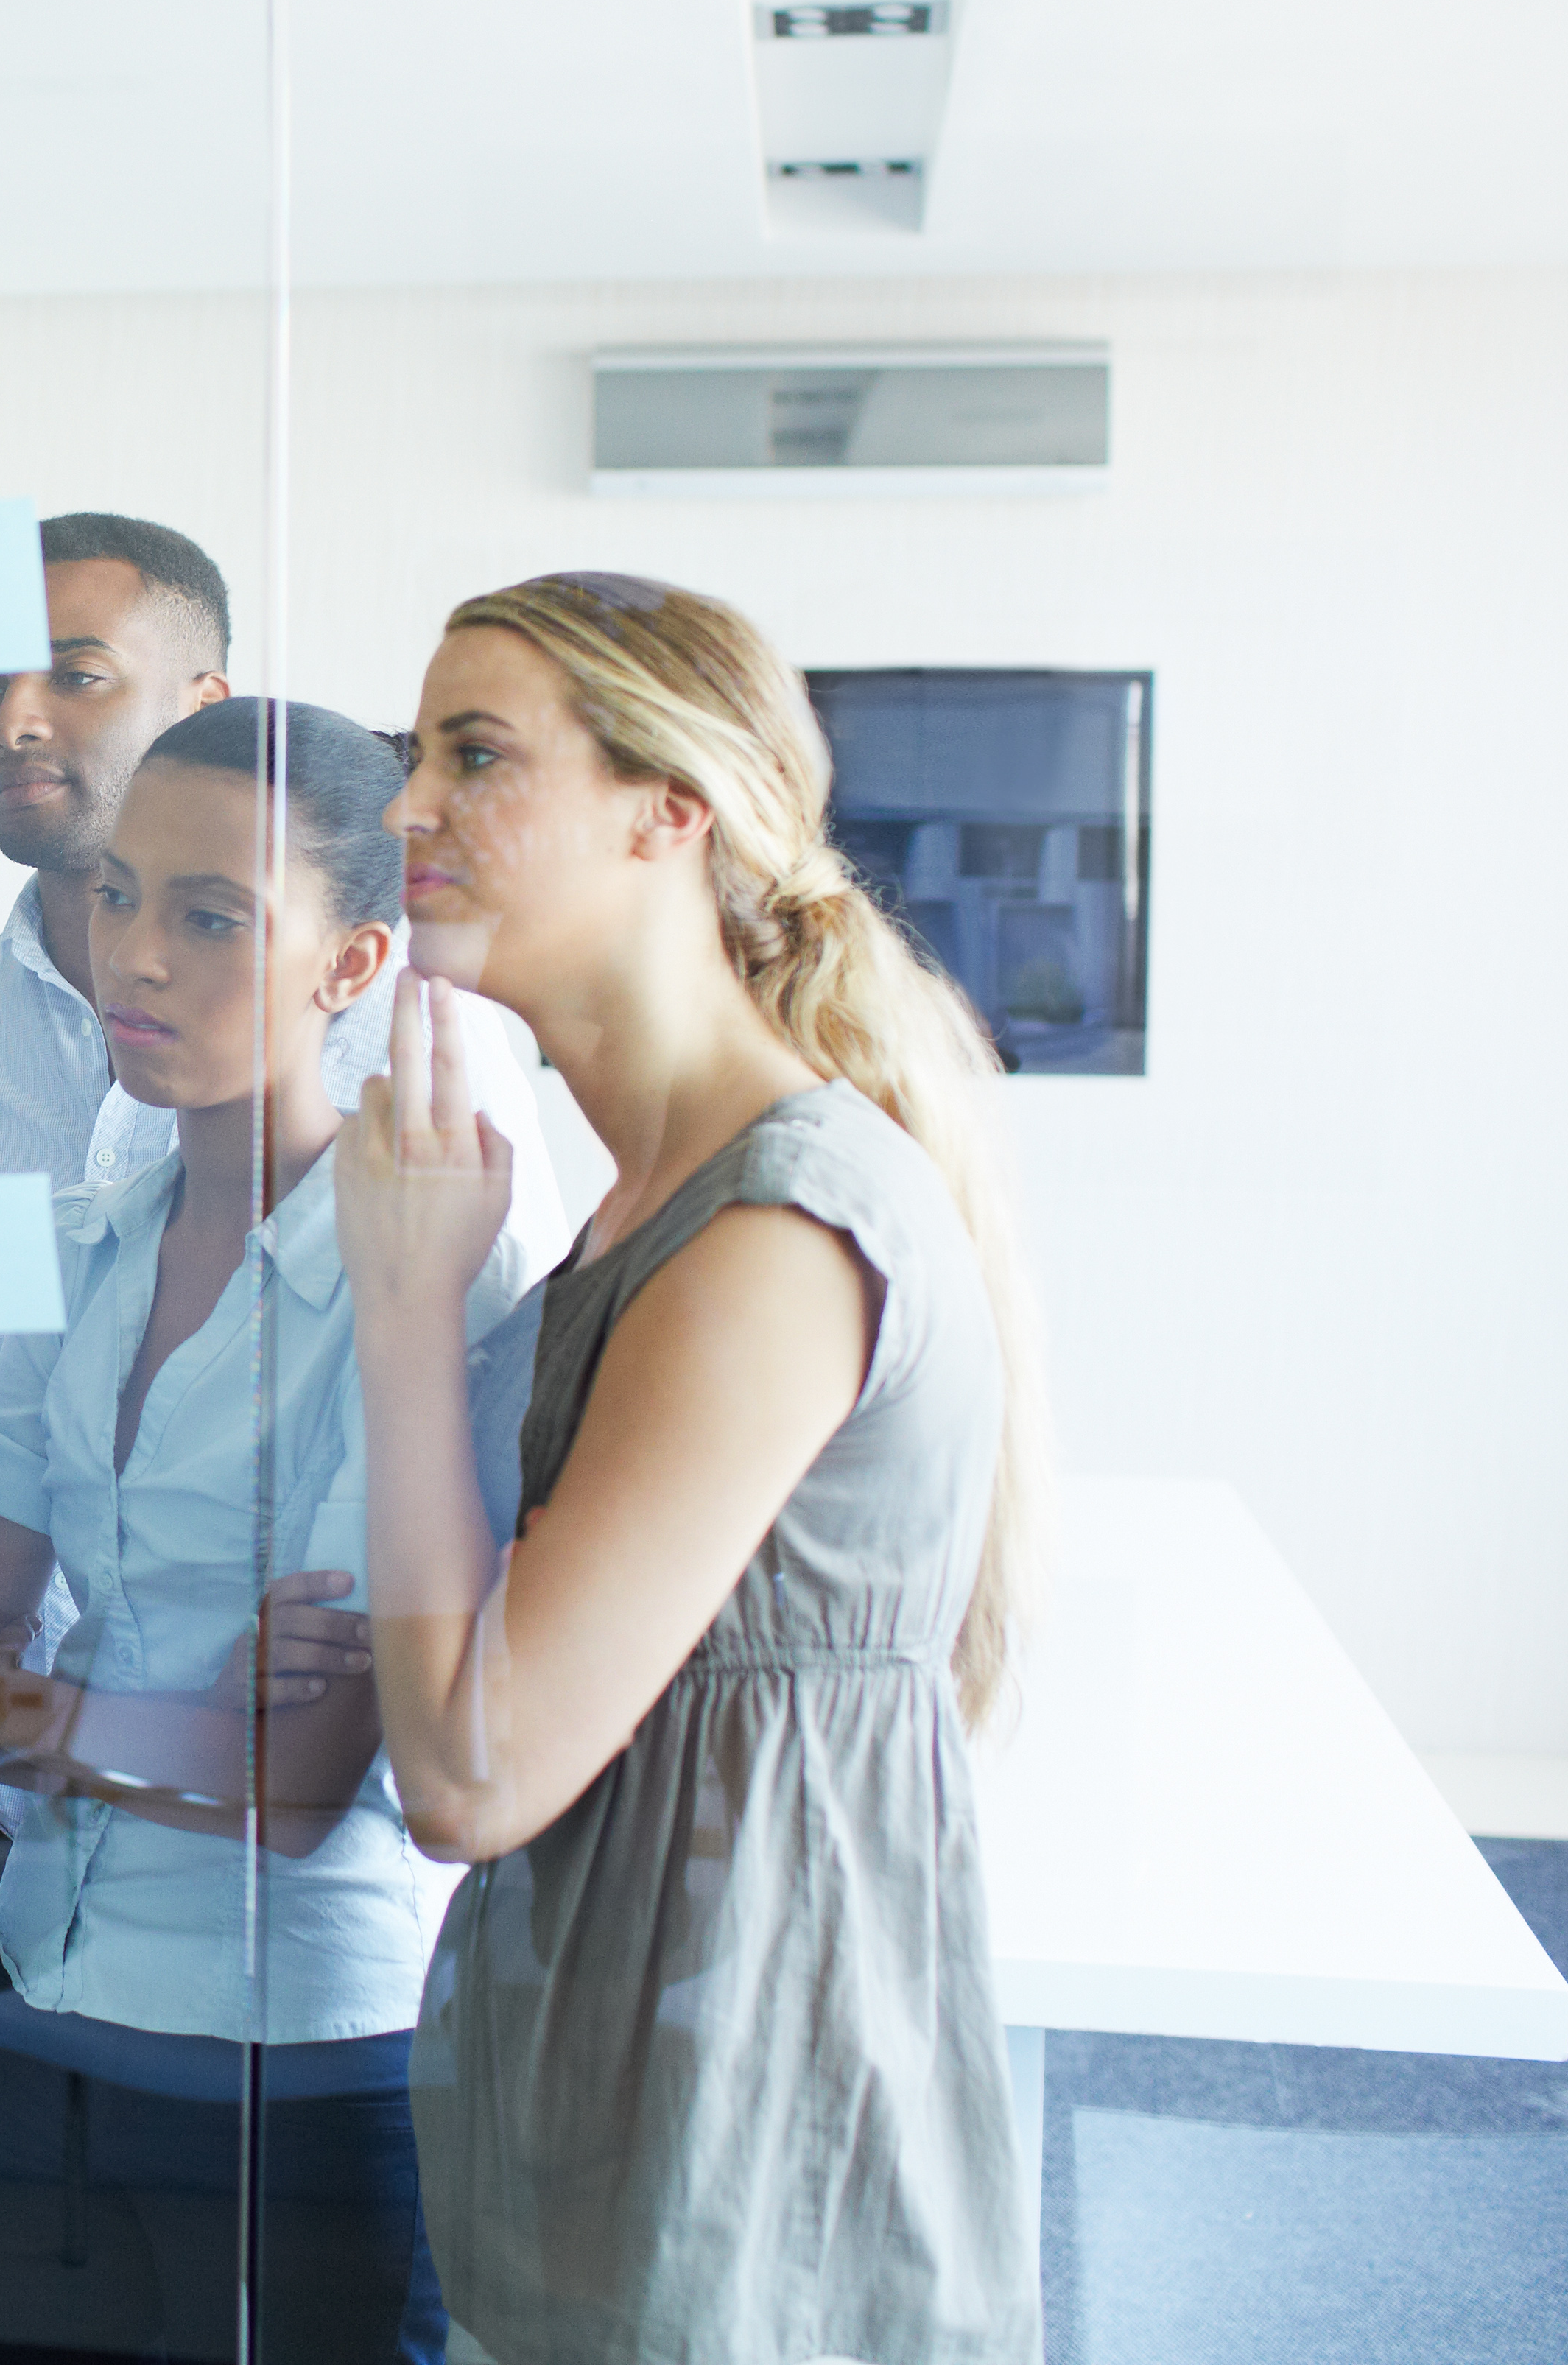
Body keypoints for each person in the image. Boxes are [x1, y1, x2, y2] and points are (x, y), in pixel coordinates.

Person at [335, 572, 1047, 2364]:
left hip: (739, 2180)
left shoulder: (773, 1228)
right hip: (628, 2135)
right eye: (410, 754)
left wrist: (405, 1312)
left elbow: (470, 1772)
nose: (407, 809)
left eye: (474, 754)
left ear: (675, 811)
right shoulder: (653, 1202)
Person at [0, 513, 570, 2155]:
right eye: (121, 900)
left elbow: (310, 1770)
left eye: (207, 916)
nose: (136, 955)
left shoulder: (429, 1196)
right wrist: (69, 1721)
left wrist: (35, 1708)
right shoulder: (46, 1197)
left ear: (354, 961)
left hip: (305, 2027)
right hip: (49, 1957)